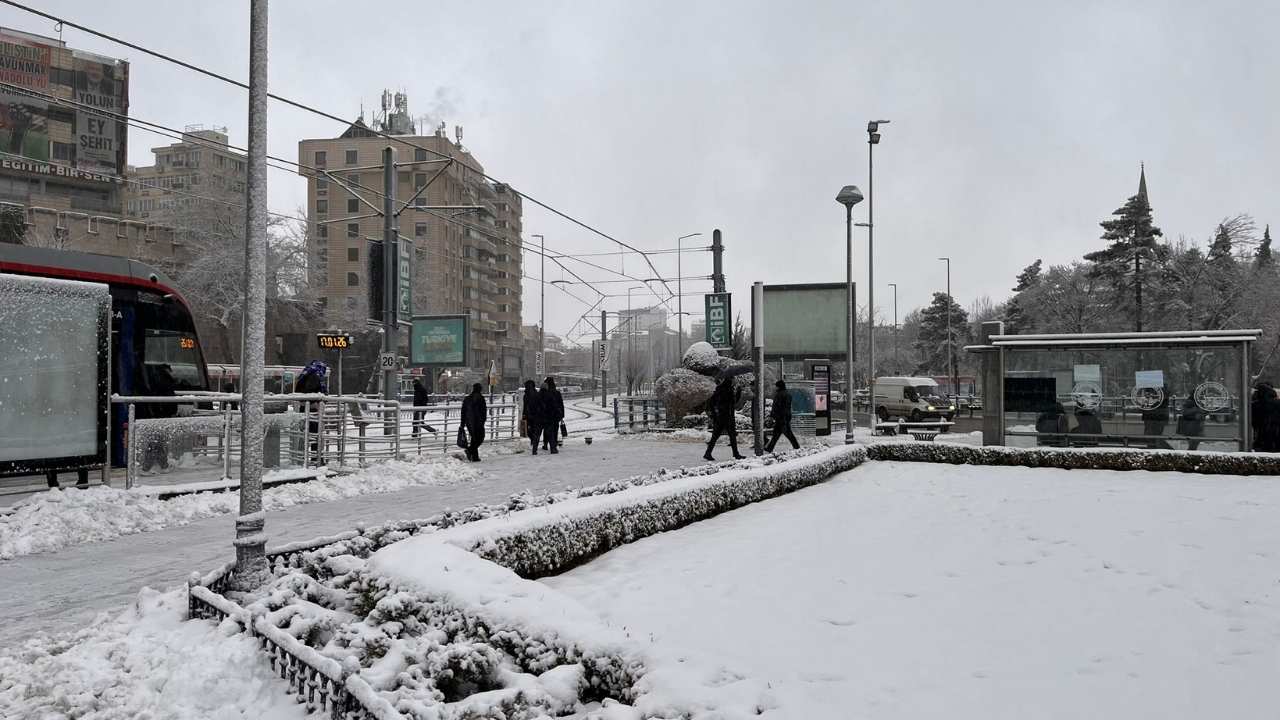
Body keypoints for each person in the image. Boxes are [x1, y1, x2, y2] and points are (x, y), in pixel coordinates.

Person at [141, 363, 177, 473]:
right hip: (162, 415)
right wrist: (171, 410)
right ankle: (152, 467)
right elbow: (170, 398)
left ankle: (159, 465)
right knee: (157, 442)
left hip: (157, 414)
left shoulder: (155, 380)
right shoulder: (165, 381)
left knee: (156, 441)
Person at [704, 376, 745, 461]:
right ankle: (736, 454)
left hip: (721, 416)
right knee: (732, 436)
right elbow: (732, 402)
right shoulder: (727, 390)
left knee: (716, 436)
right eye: (734, 379)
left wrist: (715, 415)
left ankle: (708, 453)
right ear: (730, 380)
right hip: (727, 416)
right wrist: (738, 392)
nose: (735, 381)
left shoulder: (721, 389)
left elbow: (713, 402)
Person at [294, 360, 328, 464]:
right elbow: (311, 390)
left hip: (303, 407)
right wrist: (317, 401)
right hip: (312, 408)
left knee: (304, 433)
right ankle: (316, 458)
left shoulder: (305, 373)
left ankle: (301, 457)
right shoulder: (315, 375)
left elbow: (299, 390)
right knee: (315, 434)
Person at [766, 380, 800, 453]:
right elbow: (787, 407)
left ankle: (797, 447)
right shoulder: (788, 394)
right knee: (777, 434)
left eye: (776, 386)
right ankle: (769, 448)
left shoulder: (779, 395)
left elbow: (776, 407)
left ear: (779, 386)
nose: (775, 387)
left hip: (780, 417)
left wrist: (772, 416)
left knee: (786, 434)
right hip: (786, 417)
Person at [461, 383, 487, 461]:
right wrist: (483, 420)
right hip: (478, 421)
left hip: (469, 421)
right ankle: (470, 451)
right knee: (480, 437)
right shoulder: (481, 398)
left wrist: (463, 423)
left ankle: (475, 456)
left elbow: (463, 411)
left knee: (474, 438)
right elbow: (483, 411)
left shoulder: (467, 399)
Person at [1140, 385, 1172, 449]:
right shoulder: (1161, 388)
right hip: (1156, 415)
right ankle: (1154, 448)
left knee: (1153, 435)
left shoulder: (1157, 388)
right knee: (1153, 435)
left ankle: (1154, 448)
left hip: (1154, 415)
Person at [541, 377, 565, 454]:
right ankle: (554, 445)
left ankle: (545, 444)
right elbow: (561, 404)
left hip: (547, 415)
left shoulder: (545, 393)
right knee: (555, 430)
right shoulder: (557, 393)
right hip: (556, 415)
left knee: (546, 430)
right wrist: (562, 415)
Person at [522, 379, 545, 454]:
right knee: (536, 432)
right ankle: (534, 446)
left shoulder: (526, 395)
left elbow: (525, 406)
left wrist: (524, 415)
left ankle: (533, 442)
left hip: (529, 416)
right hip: (537, 416)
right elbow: (541, 405)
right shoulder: (537, 394)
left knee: (530, 431)